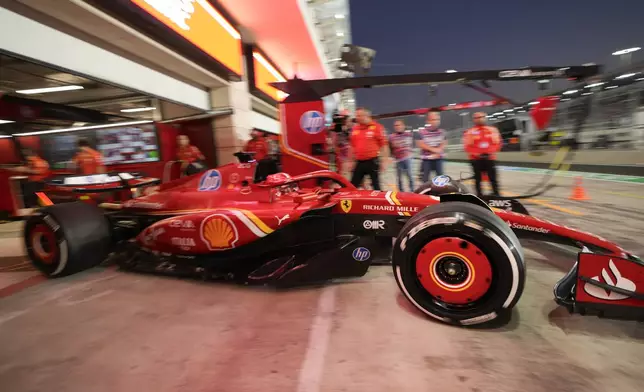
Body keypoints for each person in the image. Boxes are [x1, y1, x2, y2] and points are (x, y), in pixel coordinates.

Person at [348, 107, 389, 190]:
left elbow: (384, 145)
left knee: (376, 186)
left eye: (359, 116)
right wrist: (350, 161)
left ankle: (378, 202)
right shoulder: (355, 129)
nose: (357, 118)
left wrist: (384, 160)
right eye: (356, 115)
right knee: (352, 186)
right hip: (359, 162)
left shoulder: (377, 127)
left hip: (372, 162)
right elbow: (352, 146)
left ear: (366, 116)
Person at [463, 112, 502, 196]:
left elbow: (498, 143)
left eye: (482, 117)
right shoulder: (470, 132)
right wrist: (477, 154)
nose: (480, 119)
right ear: (474, 120)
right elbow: (467, 146)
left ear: (485, 118)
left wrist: (489, 153)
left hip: (490, 158)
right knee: (477, 179)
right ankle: (479, 195)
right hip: (476, 160)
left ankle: (496, 195)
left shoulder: (492, 130)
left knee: (493, 179)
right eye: (477, 117)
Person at [416, 111, 447, 183]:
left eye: (437, 119)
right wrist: (435, 150)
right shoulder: (421, 132)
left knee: (441, 180)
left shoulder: (442, 132)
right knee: (425, 181)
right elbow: (420, 144)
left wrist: (438, 151)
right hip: (427, 160)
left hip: (438, 159)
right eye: (433, 119)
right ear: (427, 121)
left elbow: (444, 143)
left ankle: (440, 194)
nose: (435, 121)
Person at [388, 119, 415, 192]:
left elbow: (411, 145)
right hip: (398, 160)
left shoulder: (409, 134)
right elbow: (390, 148)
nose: (397, 127)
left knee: (410, 176)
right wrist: (391, 157)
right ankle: (401, 193)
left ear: (403, 126)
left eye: (399, 125)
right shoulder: (391, 137)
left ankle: (412, 191)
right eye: (395, 125)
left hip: (407, 158)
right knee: (399, 178)